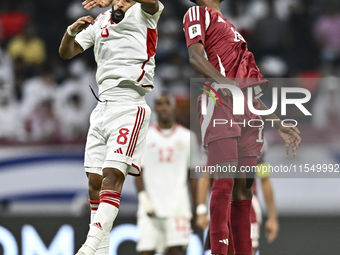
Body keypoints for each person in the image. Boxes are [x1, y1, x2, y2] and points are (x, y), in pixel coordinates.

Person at [183, 1, 301, 255]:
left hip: (247, 111)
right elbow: (195, 56)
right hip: (220, 99)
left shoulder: (232, 29)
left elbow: (252, 91)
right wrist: (227, 83)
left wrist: (279, 123)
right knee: (223, 181)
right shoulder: (197, 13)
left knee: (244, 188)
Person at [58, 0, 164, 254]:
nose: (122, 3)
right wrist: (70, 32)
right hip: (102, 107)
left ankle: (89, 246)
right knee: (94, 182)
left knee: (112, 177)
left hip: (129, 105)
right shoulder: (101, 22)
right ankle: (102, 251)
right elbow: (66, 52)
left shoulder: (145, 12)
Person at [135, 93, 199, 255]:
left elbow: (192, 176)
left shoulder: (187, 137)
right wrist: (144, 199)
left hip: (178, 206)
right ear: (155, 108)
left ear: (174, 107)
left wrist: (197, 207)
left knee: (176, 251)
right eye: (159, 104)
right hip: (151, 205)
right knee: (146, 251)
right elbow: (137, 172)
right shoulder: (144, 136)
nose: (163, 107)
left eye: (167, 104)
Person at [196, 142, 279, 255]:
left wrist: (272, 217)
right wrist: (201, 210)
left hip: (248, 207)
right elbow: (205, 175)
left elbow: (264, 178)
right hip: (221, 207)